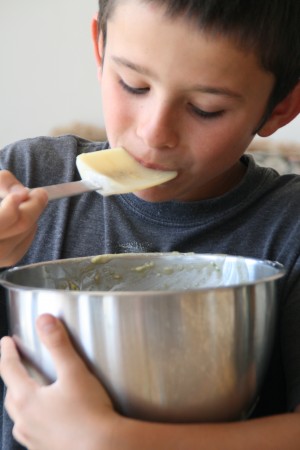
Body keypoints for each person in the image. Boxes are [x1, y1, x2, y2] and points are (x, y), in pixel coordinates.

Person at [0, 0, 300, 448]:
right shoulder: (25, 173)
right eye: (133, 84)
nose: (155, 132)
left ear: (280, 108)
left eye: (205, 108)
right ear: (100, 49)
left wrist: (120, 441)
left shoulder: (289, 226)